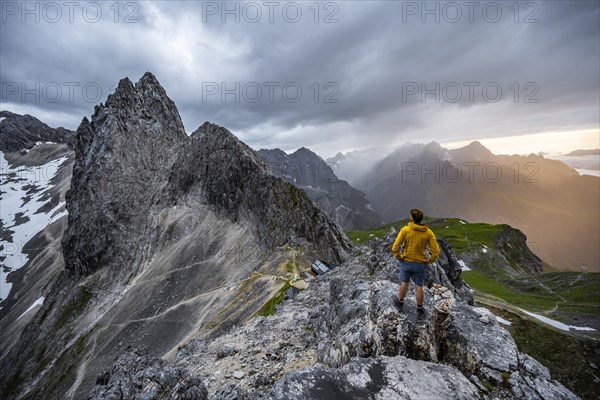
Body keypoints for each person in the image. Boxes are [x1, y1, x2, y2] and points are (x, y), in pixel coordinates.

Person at [391, 208, 440, 312]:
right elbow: (436, 251)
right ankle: (419, 308)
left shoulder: (405, 230)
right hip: (420, 264)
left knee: (404, 282)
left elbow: (395, 247)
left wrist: (399, 257)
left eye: (410, 216)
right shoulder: (428, 232)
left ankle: (400, 302)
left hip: (407, 261)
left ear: (412, 218)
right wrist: (429, 260)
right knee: (419, 286)